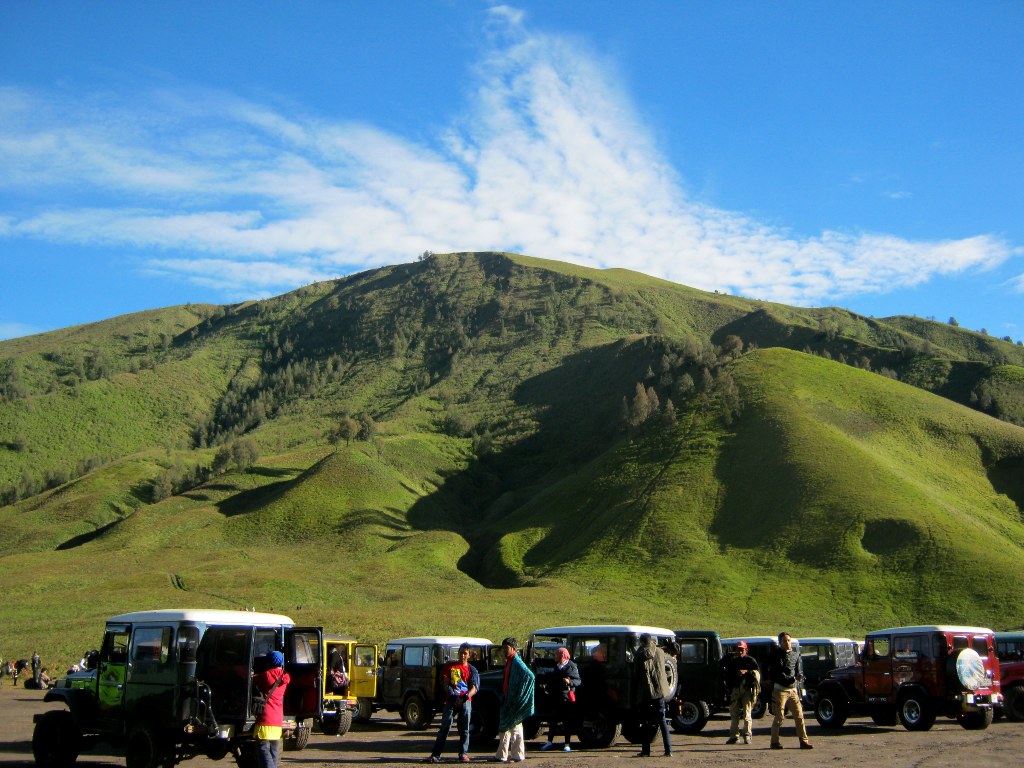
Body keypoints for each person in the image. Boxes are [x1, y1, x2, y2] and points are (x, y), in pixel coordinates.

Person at [426, 643, 479, 764]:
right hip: (450, 700)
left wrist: (465, 697)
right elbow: (445, 683)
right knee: (445, 727)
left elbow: (475, 688)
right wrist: (453, 695)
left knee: (465, 728)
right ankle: (436, 754)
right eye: (461, 653)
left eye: (465, 653)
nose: (462, 655)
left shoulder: (472, 670)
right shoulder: (450, 666)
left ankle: (463, 754)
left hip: (466, 701)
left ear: (469, 655)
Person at [767, 633, 812, 750]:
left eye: (788, 640)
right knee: (779, 717)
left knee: (799, 716)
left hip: (792, 690)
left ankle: (804, 741)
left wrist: (799, 678)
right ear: (780, 643)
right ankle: (774, 742)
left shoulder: (795, 655)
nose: (787, 643)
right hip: (780, 690)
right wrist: (793, 678)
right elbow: (778, 673)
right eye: (784, 641)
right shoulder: (775, 655)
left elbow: (798, 671)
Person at [496, 637, 535, 764]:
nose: (504, 651)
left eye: (506, 648)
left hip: (514, 702)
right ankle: (501, 755)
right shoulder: (509, 661)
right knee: (504, 728)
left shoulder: (517, 662)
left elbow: (530, 676)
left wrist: (520, 696)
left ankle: (517, 755)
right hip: (507, 700)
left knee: (515, 728)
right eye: (503, 648)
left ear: (514, 649)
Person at [633, 634, 672, 758]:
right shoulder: (660, 652)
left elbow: (636, 673)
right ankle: (668, 750)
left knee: (645, 722)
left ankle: (646, 751)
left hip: (645, 691)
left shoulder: (639, 653)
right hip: (659, 691)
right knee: (662, 720)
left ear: (642, 642)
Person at [252, 650, 290, 768]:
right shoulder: (286, 676)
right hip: (277, 718)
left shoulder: (266, 675)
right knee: (274, 750)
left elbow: (252, 679)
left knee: (263, 749)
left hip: (265, 717)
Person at [539, 646, 580, 752]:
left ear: (562, 655)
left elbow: (578, 681)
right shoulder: (556, 666)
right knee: (553, 721)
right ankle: (549, 742)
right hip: (555, 697)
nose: (555, 656)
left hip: (566, 699)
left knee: (567, 722)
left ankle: (567, 744)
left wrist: (569, 682)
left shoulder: (571, 666)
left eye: (557, 654)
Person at [721, 641, 760, 744]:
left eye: (742, 649)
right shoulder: (731, 660)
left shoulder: (750, 660)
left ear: (746, 650)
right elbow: (723, 668)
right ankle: (734, 736)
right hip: (735, 690)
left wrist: (747, 671)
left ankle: (747, 735)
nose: (740, 651)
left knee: (747, 713)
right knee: (734, 714)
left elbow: (757, 674)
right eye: (738, 649)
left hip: (747, 689)